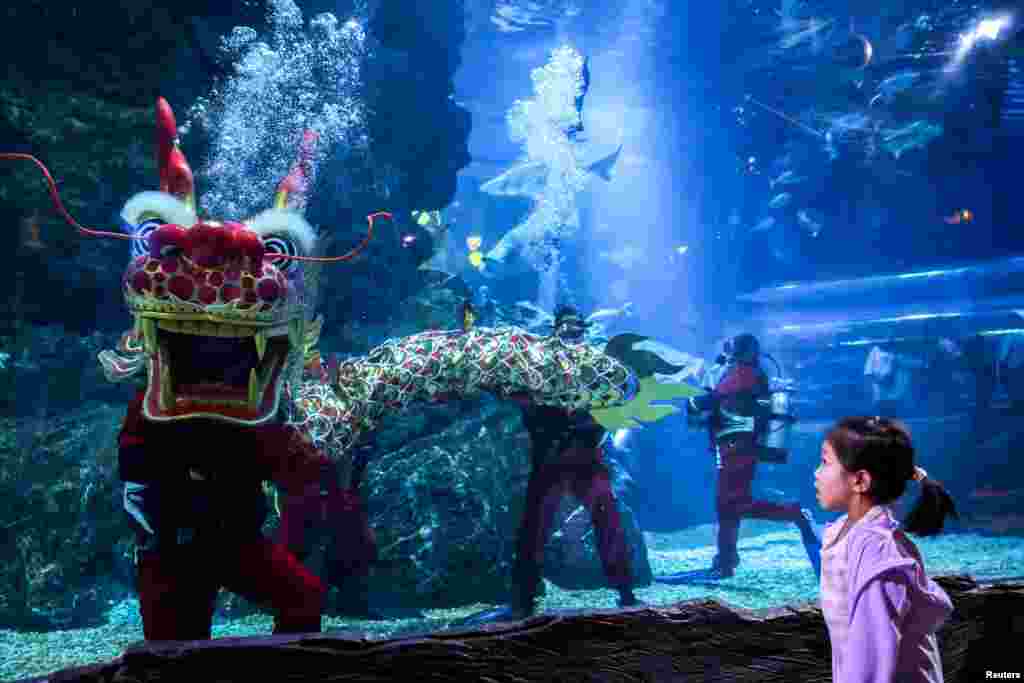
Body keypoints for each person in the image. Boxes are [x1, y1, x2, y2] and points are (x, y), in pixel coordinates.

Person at [462, 305, 640, 624]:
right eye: (567, 330)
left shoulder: (593, 368)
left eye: (577, 330)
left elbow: (628, 390)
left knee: (604, 520)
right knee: (536, 528)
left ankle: (625, 593)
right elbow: (514, 393)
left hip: (582, 456)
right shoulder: (539, 367)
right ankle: (523, 601)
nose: (573, 336)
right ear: (556, 331)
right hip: (554, 456)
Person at [119, 389, 328, 639]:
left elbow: (285, 463)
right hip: (173, 548)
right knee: (173, 652)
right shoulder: (156, 398)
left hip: (231, 539)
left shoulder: (251, 396)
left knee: (302, 597)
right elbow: (134, 465)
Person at [658, 333, 821, 583]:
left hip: (739, 448)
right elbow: (720, 401)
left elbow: (714, 399)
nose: (727, 353)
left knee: (735, 504)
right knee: (726, 505)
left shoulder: (745, 374)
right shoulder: (741, 373)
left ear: (742, 352)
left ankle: (795, 513)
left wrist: (694, 401)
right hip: (730, 446)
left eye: (731, 349)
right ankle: (725, 562)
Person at [815, 416, 957, 683]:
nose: (816, 472)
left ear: (860, 481)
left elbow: (872, 659)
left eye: (825, 462)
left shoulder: (878, 556)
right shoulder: (845, 532)